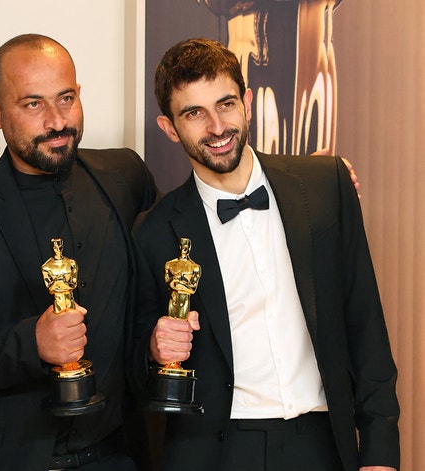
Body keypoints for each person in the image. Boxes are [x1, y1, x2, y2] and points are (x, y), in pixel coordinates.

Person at [132, 37, 399, 471]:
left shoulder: (325, 186)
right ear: (169, 127)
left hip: (322, 442)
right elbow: (133, 360)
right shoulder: (153, 232)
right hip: (216, 451)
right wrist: (152, 346)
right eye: (194, 113)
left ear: (248, 103)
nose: (217, 127)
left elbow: (366, 326)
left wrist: (380, 454)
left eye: (226, 104)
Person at [0, 34, 160, 470]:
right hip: (5, 461)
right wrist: (33, 344)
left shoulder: (125, 177)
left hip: (116, 455)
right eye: (32, 104)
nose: (56, 121)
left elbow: (151, 296)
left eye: (66, 98)